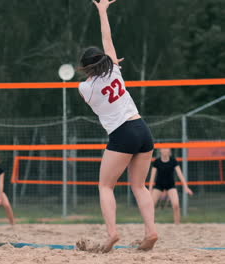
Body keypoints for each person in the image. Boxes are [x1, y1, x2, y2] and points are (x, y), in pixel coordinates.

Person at [77, 0, 158, 252]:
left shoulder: (84, 88)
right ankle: (151, 231)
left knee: (105, 186)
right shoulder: (114, 70)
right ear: (104, 61)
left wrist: (107, 62)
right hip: (142, 129)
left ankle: (112, 233)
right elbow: (107, 37)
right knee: (140, 186)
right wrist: (103, 10)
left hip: (122, 134)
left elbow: (101, 59)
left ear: (84, 67)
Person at [149, 148, 193, 224]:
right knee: (151, 205)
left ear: (169, 151)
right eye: (163, 149)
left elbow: (180, 175)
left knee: (176, 204)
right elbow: (152, 177)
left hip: (170, 185)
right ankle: (151, 223)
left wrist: (186, 187)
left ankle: (177, 223)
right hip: (158, 186)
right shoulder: (157, 162)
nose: (165, 150)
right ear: (160, 150)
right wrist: (150, 189)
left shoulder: (173, 161)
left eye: (167, 149)